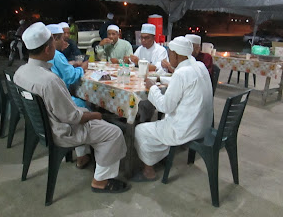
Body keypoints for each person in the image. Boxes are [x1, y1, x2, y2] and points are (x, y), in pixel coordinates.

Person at [14, 22, 130, 193]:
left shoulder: (20, 73)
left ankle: (84, 157)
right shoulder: (49, 81)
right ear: (47, 49)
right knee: (113, 132)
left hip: (43, 127)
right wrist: (96, 115)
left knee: (85, 111)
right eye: (53, 43)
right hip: (61, 131)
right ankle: (100, 181)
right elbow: (74, 118)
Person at [132, 36, 213, 181]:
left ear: (176, 54)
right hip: (203, 125)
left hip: (188, 128)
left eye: (170, 54)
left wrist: (153, 88)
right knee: (162, 122)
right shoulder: (198, 66)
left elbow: (165, 106)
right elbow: (181, 82)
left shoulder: (182, 73)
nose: (169, 58)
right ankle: (160, 156)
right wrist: (160, 80)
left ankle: (148, 171)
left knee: (140, 130)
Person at [46, 24, 88, 108]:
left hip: (50, 98)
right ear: (55, 38)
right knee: (84, 105)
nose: (64, 41)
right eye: (62, 38)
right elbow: (71, 76)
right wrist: (82, 68)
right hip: (60, 100)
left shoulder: (45, 53)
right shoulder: (56, 54)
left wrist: (70, 64)